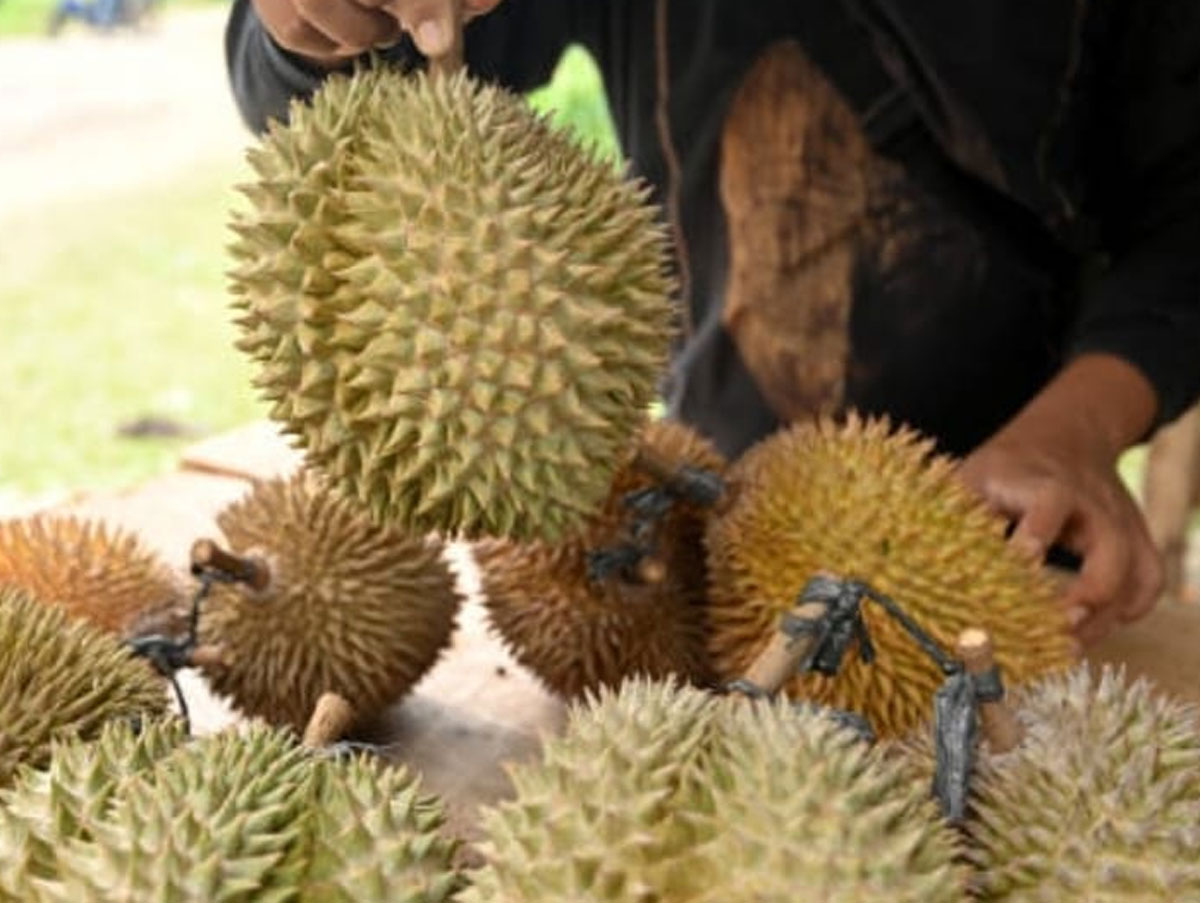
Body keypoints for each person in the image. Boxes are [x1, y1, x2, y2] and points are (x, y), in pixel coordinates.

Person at [225, 0, 1200, 647]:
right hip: (705, 532)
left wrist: (1075, 433)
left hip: (1020, 542)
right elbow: (363, 62)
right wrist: (308, 26)